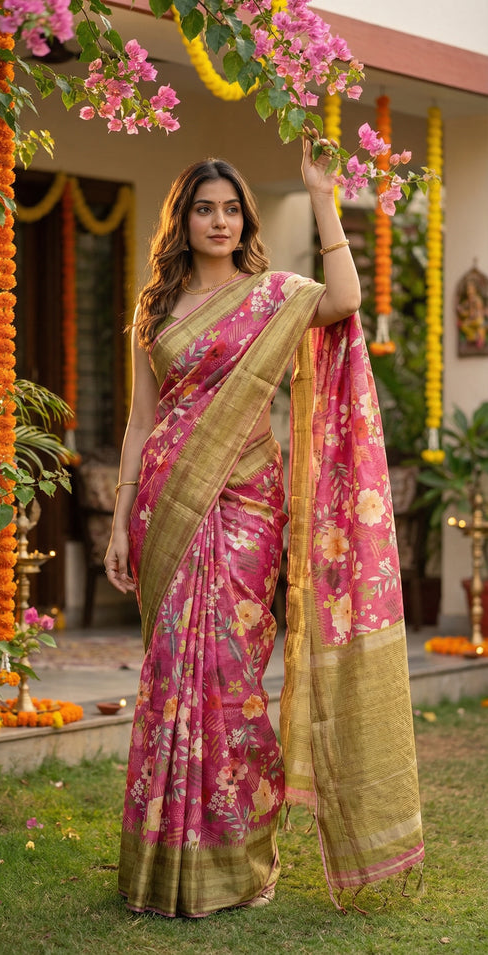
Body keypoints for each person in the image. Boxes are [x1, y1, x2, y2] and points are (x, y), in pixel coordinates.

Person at [105, 132, 424, 917]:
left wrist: (321, 197)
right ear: (181, 222)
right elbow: (141, 423)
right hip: (165, 505)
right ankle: (164, 860)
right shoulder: (156, 310)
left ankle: (236, 857)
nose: (217, 222)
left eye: (230, 210)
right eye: (203, 210)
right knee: (171, 673)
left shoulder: (275, 295)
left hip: (247, 506)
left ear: (245, 221)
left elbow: (344, 300)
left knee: (228, 678)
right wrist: (118, 523)